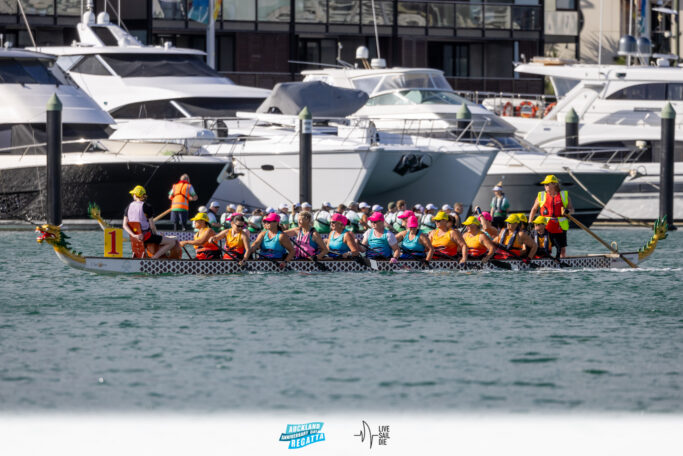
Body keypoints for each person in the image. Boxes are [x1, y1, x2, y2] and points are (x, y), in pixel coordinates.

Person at [123, 185, 178, 259]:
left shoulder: (128, 207)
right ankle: (154, 258)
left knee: (156, 238)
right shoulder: (147, 206)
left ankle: (145, 257)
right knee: (172, 242)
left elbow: (124, 225)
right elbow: (152, 226)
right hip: (146, 237)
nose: (133, 195)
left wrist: (134, 235)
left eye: (133, 194)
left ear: (135, 195)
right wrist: (157, 235)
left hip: (134, 238)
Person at [529, 174, 574, 258]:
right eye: (544, 184)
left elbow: (572, 209)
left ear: (554, 184)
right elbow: (534, 209)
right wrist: (530, 222)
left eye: (547, 184)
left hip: (560, 225)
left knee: (561, 248)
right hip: (545, 226)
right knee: (544, 245)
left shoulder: (564, 195)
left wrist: (568, 211)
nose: (545, 186)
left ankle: (562, 261)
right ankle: (544, 260)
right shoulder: (541, 196)